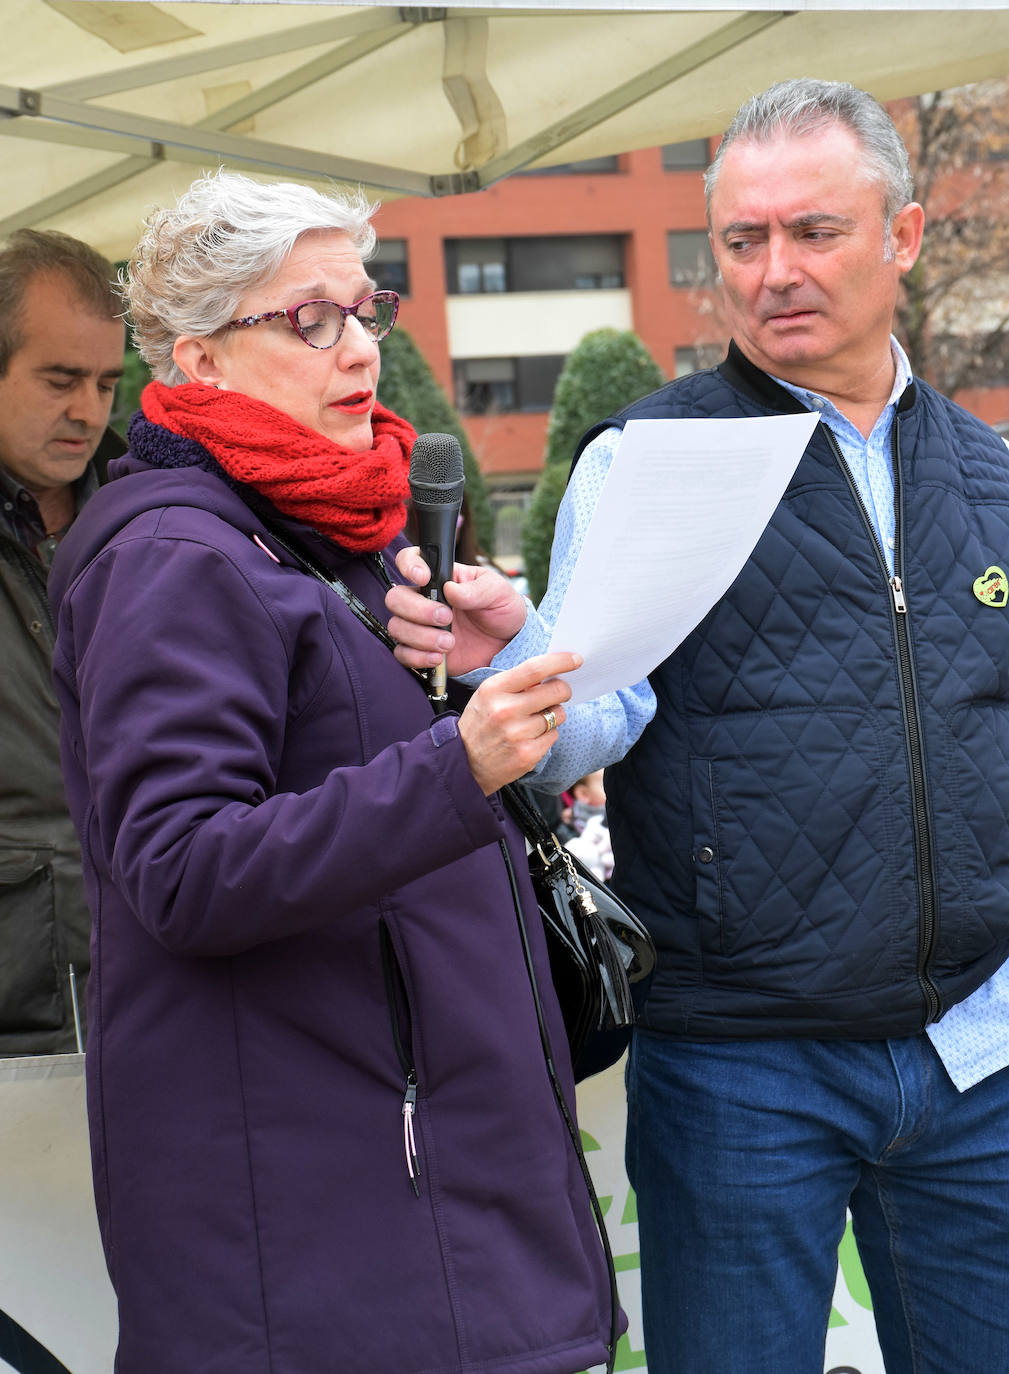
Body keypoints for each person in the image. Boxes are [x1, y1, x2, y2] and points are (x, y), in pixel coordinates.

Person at [386, 78, 1009, 1373]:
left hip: (979, 1060)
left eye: (814, 232)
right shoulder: (651, 457)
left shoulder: (992, 476)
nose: (774, 271)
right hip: (742, 1068)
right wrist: (523, 676)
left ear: (899, 235)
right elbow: (578, 735)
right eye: (741, 241)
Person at [47, 168, 616, 1374]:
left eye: (367, 308)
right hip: (329, 1253)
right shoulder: (173, 553)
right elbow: (184, 869)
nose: (357, 347)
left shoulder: (334, 540)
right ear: (195, 362)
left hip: (433, 1214)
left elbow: (380, 809)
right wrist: (455, 765)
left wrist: (459, 688)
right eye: (309, 319)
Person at [0, 228, 124, 1056]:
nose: (88, 409)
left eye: (108, 382)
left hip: (155, 989)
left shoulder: (151, 517)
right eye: (59, 379)